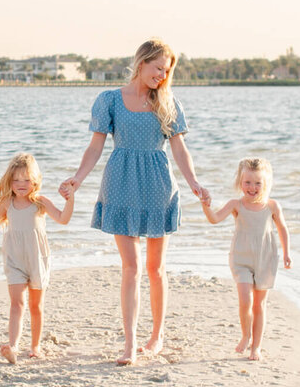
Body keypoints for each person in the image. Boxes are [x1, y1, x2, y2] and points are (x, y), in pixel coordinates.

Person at [59, 38, 210, 365]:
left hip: (158, 185)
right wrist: (77, 178)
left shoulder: (168, 102)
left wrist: (194, 182)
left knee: (155, 269)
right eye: (157, 68)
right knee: (132, 267)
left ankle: (156, 336)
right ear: (141, 62)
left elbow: (180, 150)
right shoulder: (110, 100)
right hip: (121, 183)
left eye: (166, 71)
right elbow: (95, 147)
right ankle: (129, 343)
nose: (161, 76)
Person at [0, 153, 73, 363]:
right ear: (9, 181)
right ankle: (13, 346)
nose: (21, 184)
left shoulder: (40, 202)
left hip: (37, 259)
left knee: (36, 306)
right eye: (17, 180)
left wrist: (70, 199)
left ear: (35, 181)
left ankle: (35, 346)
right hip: (14, 259)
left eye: (26, 180)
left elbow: (63, 219)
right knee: (17, 303)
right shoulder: (7, 202)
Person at [200, 157, 292, 361]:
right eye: (247, 182)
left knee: (259, 305)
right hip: (241, 258)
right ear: (240, 182)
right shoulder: (236, 204)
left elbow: (282, 229)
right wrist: (206, 206)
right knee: (245, 299)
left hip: (266, 259)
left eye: (257, 183)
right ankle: (245, 335)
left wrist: (286, 253)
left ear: (265, 183)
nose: (252, 187)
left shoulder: (272, 206)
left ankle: (256, 347)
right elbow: (214, 219)